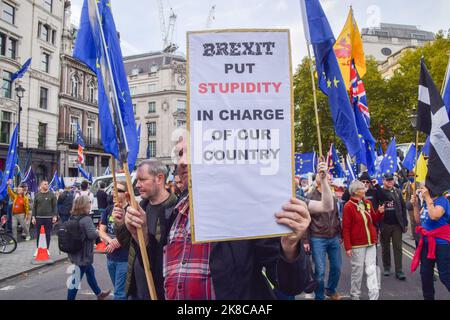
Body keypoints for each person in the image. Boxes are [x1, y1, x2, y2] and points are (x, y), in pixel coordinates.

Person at [123, 136, 332, 300]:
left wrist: (289, 248)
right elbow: (162, 274)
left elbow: (291, 285)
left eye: (192, 151)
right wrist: (144, 239)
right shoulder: (176, 214)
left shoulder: (246, 210)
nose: (183, 162)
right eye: (180, 154)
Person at [114, 160, 179, 300]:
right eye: (137, 180)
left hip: (159, 292)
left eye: (142, 179)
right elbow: (131, 246)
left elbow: (168, 258)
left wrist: (145, 234)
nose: (137, 185)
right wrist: (121, 225)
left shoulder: (176, 211)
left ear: (160, 178)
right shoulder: (140, 207)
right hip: (136, 291)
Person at [342, 180, 385, 300]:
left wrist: (380, 213)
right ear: (356, 192)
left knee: (371, 269)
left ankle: (374, 296)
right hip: (357, 245)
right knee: (358, 271)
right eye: (362, 188)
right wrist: (348, 246)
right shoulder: (348, 206)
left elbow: (374, 219)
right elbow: (346, 228)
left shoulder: (367, 203)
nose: (365, 189)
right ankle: (355, 296)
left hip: (371, 242)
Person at [303, 173, 342, 300]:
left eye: (329, 177)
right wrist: (305, 240)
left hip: (334, 237)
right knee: (320, 272)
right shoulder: (310, 196)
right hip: (317, 238)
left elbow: (337, 216)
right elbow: (306, 219)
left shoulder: (333, 196)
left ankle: (330, 290)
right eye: (324, 176)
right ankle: (319, 296)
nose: (328, 178)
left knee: (337, 267)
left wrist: (339, 233)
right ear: (317, 180)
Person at [66, 195, 111, 300]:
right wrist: (98, 231)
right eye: (89, 202)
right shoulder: (86, 219)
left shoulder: (72, 216)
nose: (90, 204)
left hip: (75, 251)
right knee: (76, 279)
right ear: (84, 205)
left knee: (90, 272)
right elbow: (92, 235)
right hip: (84, 254)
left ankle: (99, 294)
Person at [411, 186, 450, 300]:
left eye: (423, 188)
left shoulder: (442, 200)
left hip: (442, 244)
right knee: (425, 275)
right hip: (427, 243)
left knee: (445, 276)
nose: (420, 189)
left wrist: (427, 197)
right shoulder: (427, 202)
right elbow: (418, 221)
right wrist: (415, 205)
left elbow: (434, 216)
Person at [99, 181, 130, 300]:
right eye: (113, 190)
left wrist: (118, 241)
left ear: (126, 194)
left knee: (119, 293)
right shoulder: (108, 209)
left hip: (124, 258)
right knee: (120, 289)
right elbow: (101, 231)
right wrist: (110, 241)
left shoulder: (130, 209)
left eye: (119, 190)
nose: (114, 193)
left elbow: (132, 231)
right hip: (110, 257)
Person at [378, 173, 408, 280]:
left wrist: (405, 223)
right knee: (385, 248)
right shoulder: (379, 192)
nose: (390, 182)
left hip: (396, 225)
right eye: (388, 180)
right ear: (383, 181)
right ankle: (386, 267)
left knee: (398, 248)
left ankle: (399, 271)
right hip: (384, 224)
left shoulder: (398, 192)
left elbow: (403, 208)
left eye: (391, 180)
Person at [32, 181, 57, 251]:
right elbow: (34, 207)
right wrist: (33, 217)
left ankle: (47, 249)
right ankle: (38, 249)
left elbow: (55, 206)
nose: (47, 185)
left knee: (48, 234)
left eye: (47, 184)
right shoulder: (37, 195)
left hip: (48, 218)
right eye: (45, 184)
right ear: (41, 185)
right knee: (38, 234)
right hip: (38, 218)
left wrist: (55, 216)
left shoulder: (52, 195)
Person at [402, 171, 420, 243]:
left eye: (412, 175)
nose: (411, 177)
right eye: (410, 175)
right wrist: (403, 192)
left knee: (418, 220)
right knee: (412, 221)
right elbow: (402, 194)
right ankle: (413, 234)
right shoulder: (405, 185)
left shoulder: (418, 184)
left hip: (417, 205)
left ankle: (418, 233)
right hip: (409, 205)